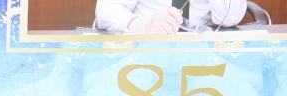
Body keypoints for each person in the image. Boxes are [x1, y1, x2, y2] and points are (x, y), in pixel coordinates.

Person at [95, 0, 246, 33]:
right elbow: (106, 10)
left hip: (203, 54)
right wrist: (143, 25)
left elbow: (229, 17)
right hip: (143, 50)